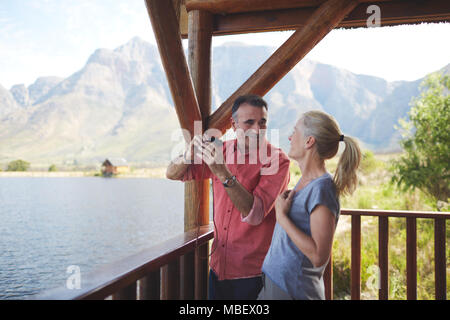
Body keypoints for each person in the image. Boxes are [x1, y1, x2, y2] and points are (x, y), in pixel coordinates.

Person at [166, 94, 290, 300]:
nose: (257, 130)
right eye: (249, 122)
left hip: (254, 272)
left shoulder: (277, 160)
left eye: (262, 123)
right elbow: (172, 173)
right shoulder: (221, 151)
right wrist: (189, 153)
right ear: (233, 124)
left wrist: (222, 172)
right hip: (218, 268)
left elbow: (255, 214)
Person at [258, 110, 361, 300]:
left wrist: (282, 217)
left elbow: (318, 255)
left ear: (309, 141)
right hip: (276, 283)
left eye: (295, 131)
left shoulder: (322, 189)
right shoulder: (306, 182)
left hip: (291, 290)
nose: (289, 137)